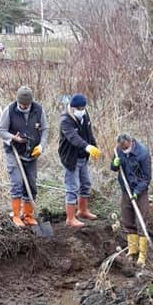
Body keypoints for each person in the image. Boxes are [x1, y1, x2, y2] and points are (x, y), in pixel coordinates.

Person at [0, 85, 48, 228]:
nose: (24, 107)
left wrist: (41, 146)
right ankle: (16, 216)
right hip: (13, 151)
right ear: (17, 101)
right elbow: (1, 131)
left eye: (27, 105)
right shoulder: (10, 110)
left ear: (31, 102)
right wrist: (14, 138)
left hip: (32, 153)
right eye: (21, 105)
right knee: (17, 183)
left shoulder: (38, 110)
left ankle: (28, 215)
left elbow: (45, 129)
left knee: (31, 185)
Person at [58, 93, 100, 229]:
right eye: (79, 108)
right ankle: (70, 218)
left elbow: (89, 134)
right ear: (72, 107)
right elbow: (73, 137)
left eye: (83, 108)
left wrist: (94, 147)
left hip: (83, 157)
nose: (82, 111)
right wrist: (87, 146)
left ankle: (82, 211)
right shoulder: (65, 120)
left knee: (86, 184)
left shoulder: (85, 115)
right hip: (70, 158)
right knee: (72, 187)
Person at [110, 133, 151, 266]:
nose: (124, 150)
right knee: (127, 219)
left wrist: (137, 192)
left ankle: (142, 255)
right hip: (126, 190)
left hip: (140, 190)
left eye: (126, 147)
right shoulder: (118, 151)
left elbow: (146, 178)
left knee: (141, 221)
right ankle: (133, 250)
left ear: (131, 142)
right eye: (122, 148)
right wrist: (114, 164)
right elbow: (114, 168)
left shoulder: (143, 153)